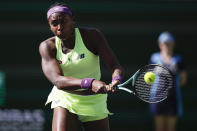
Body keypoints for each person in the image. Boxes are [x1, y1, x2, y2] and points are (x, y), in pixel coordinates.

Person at [39, 2, 124, 131]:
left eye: (64, 21)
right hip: (65, 98)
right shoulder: (47, 47)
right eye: (54, 23)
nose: (60, 27)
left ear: (73, 19)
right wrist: (90, 83)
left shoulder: (92, 36)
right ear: (50, 26)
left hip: (94, 101)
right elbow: (58, 81)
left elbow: (115, 66)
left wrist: (116, 78)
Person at [149, 31, 187, 131]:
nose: (166, 45)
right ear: (160, 44)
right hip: (157, 99)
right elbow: (149, 78)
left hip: (173, 100)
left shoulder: (178, 59)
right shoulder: (154, 58)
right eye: (164, 43)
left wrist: (171, 87)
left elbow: (183, 79)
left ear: (173, 44)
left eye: (169, 43)